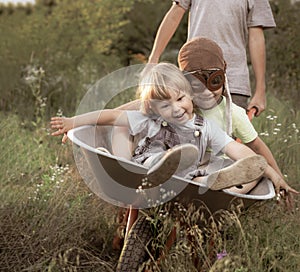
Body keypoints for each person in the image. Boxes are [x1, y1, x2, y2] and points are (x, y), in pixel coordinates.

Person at [51, 62, 297, 195]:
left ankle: (222, 183)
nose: (176, 108)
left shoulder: (207, 127)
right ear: (154, 108)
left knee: (245, 171)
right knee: (154, 158)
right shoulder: (149, 120)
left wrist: (268, 171)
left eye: (180, 99)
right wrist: (74, 122)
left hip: (190, 178)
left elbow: (237, 150)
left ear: (190, 96)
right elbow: (112, 116)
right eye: (165, 105)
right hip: (149, 170)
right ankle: (163, 166)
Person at [177, 37, 298, 202]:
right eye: (197, 86)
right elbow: (147, 105)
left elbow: (257, 147)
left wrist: (277, 176)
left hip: (224, 169)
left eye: (215, 82)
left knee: (256, 170)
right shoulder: (179, 107)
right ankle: (206, 186)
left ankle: (224, 191)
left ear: (224, 75)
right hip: (192, 167)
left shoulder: (234, 113)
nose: (207, 93)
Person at [148, 0, 276, 116]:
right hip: (195, 79)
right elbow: (174, 14)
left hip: (234, 82)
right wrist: (153, 60)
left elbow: (256, 38)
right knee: (190, 136)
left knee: (230, 139)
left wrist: (260, 90)